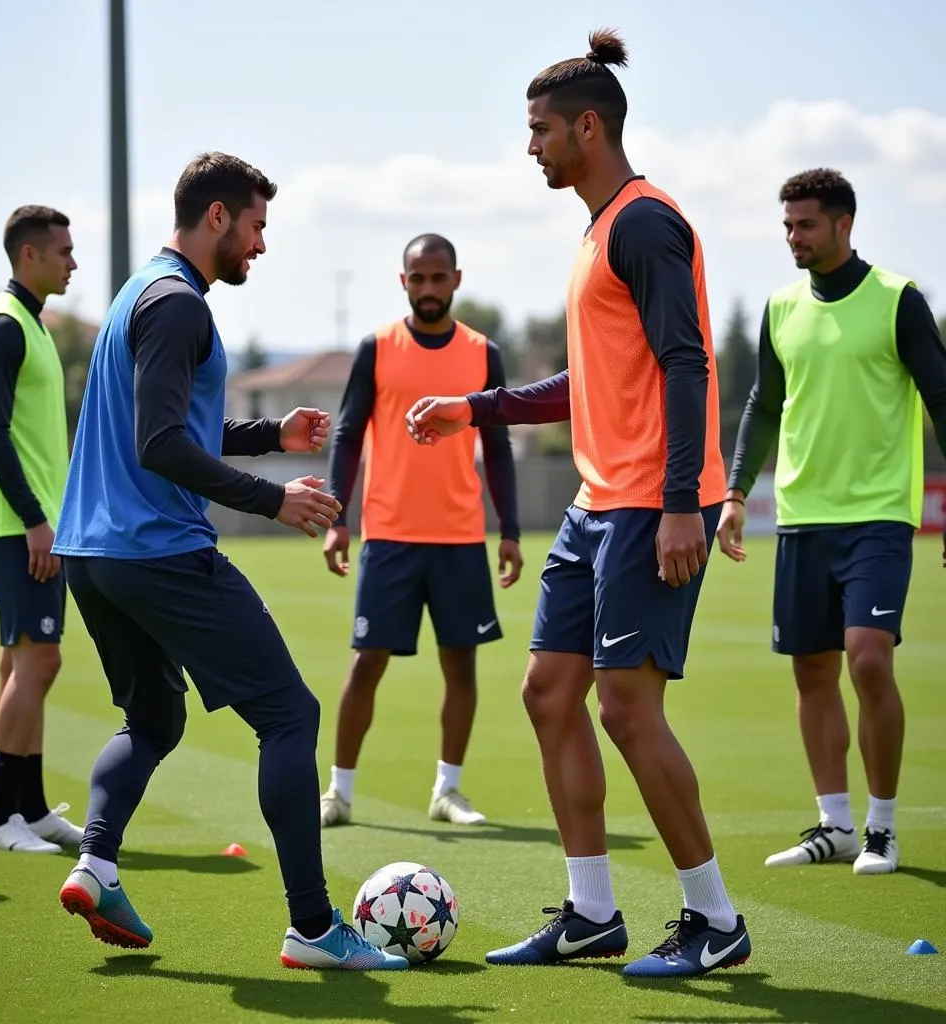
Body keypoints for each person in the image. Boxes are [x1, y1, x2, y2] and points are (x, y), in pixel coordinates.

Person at [405, 29, 750, 978]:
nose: (531, 148)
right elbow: (588, 382)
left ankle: (715, 921)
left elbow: (689, 361)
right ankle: (593, 913)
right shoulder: (598, 232)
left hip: (650, 505)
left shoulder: (643, 223)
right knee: (549, 691)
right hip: (600, 505)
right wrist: (478, 407)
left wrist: (684, 502)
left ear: (586, 127)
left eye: (540, 130)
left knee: (628, 712)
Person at [50, 152, 407, 971]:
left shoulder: (141, 293)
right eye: (256, 228)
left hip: (92, 556)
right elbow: (160, 444)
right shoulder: (180, 307)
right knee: (289, 714)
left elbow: (169, 425)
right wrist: (272, 497)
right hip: (156, 550)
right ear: (217, 218)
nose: (261, 246)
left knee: (154, 720)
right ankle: (315, 929)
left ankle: (97, 865)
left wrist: (270, 434)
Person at [718, 168, 946, 876]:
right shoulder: (781, 308)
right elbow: (762, 405)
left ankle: (881, 827)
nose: (793, 238)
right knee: (812, 672)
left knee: (868, 658)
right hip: (801, 518)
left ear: (844, 224)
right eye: (787, 226)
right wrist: (733, 492)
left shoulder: (898, 301)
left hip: (878, 515)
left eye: (806, 225)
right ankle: (835, 824)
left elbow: (941, 396)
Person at [319, 233, 523, 829]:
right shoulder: (376, 348)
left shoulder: (484, 353)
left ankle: (447, 791)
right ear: (403, 281)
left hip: (461, 537)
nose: (429, 288)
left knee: (461, 667)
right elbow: (349, 435)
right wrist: (338, 517)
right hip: (389, 537)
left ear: (456, 279)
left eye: (439, 278)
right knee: (367, 663)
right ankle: (338, 792)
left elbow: (500, 443)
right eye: (418, 278)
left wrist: (508, 528)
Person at [0, 205, 84, 855]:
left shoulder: (29, 323)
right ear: (29, 255)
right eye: (63, 250)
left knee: (21, 659)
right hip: (16, 524)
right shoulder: (4, 327)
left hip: (28, 522)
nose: (73, 260)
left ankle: (29, 810)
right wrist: (36, 520)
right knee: (40, 659)